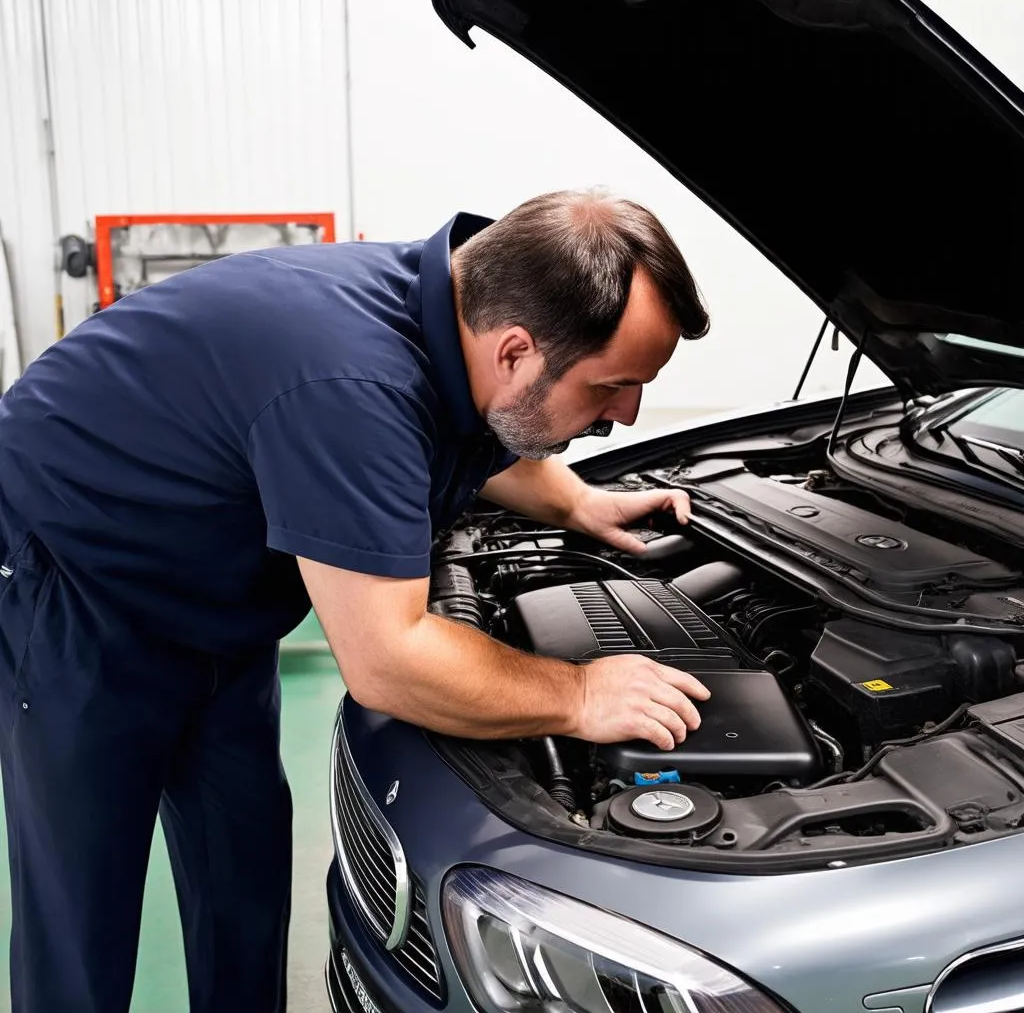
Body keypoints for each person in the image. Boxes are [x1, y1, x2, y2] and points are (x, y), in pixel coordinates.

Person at [0, 188, 711, 1012]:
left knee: (244, 866)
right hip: (82, 588)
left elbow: (488, 424)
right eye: (612, 387)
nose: (627, 414)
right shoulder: (350, 379)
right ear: (516, 348)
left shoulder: (458, 313)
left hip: (215, 605)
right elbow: (389, 660)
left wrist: (575, 501)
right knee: (83, 899)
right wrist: (580, 692)